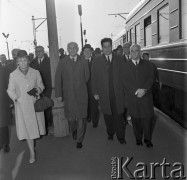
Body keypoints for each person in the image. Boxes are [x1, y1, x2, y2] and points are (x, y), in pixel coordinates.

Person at [7, 50, 46, 163]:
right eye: (20, 61)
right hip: (22, 106)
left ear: (28, 60)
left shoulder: (35, 72)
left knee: (35, 128)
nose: (23, 63)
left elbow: (41, 85)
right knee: (28, 130)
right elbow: (10, 90)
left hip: (35, 104)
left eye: (25, 60)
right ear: (17, 62)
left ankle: (32, 146)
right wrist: (16, 98)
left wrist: (37, 90)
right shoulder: (13, 75)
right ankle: (32, 153)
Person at [92, 38, 127, 144]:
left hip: (117, 93)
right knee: (107, 115)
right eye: (105, 47)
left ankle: (121, 137)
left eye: (109, 46)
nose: (107, 49)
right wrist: (95, 92)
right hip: (104, 94)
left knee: (119, 116)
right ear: (102, 48)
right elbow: (94, 78)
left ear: (112, 47)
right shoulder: (97, 60)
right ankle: (110, 133)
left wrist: (125, 91)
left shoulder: (120, 59)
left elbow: (125, 76)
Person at [55, 42, 89, 149]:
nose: (73, 50)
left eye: (75, 48)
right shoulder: (62, 62)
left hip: (81, 94)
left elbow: (87, 76)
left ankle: (79, 140)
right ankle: (73, 129)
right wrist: (59, 94)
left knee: (81, 118)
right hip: (69, 95)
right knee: (71, 118)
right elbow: (57, 79)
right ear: (67, 49)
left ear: (78, 49)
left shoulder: (83, 61)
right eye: (70, 48)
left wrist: (79, 84)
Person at [122, 44, 155, 148]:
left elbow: (151, 79)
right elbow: (124, 80)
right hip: (133, 97)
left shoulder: (148, 64)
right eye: (132, 51)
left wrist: (144, 90)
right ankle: (138, 138)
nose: (134, 53)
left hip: (146, 97)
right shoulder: (125, 66)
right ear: (129, 53)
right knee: (135, 120)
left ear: (140, 52)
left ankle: (148, 140)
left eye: (136, 51)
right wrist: (136, 91)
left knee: (147, 120)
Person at [30, 46, 53, 134]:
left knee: (47, 105)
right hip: (37, 88)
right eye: (37, 51)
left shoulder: (50, 61)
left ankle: (48, 123)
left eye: (40, 51)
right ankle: (42, 125)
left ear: (43, 51)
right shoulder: (32, 63)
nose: (39, 52)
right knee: (39, 106)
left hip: (48, 87)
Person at [83, 44, 100, 127]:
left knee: (94, 105)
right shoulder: (80, 61)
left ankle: (95, 121)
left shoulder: (96, 61)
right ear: (83, 52)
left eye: (88, 51)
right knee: (86, 104)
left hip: (94, 87)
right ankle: (88, 116)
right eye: (85, 51)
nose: (87, 53)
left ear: (91, 51)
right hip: (83, 87)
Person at [0, 63, 12, 153]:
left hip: (2, 101)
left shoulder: (4, 70)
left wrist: (10, 101)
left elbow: (9, 86)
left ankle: (5, 143)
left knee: (3, 124)